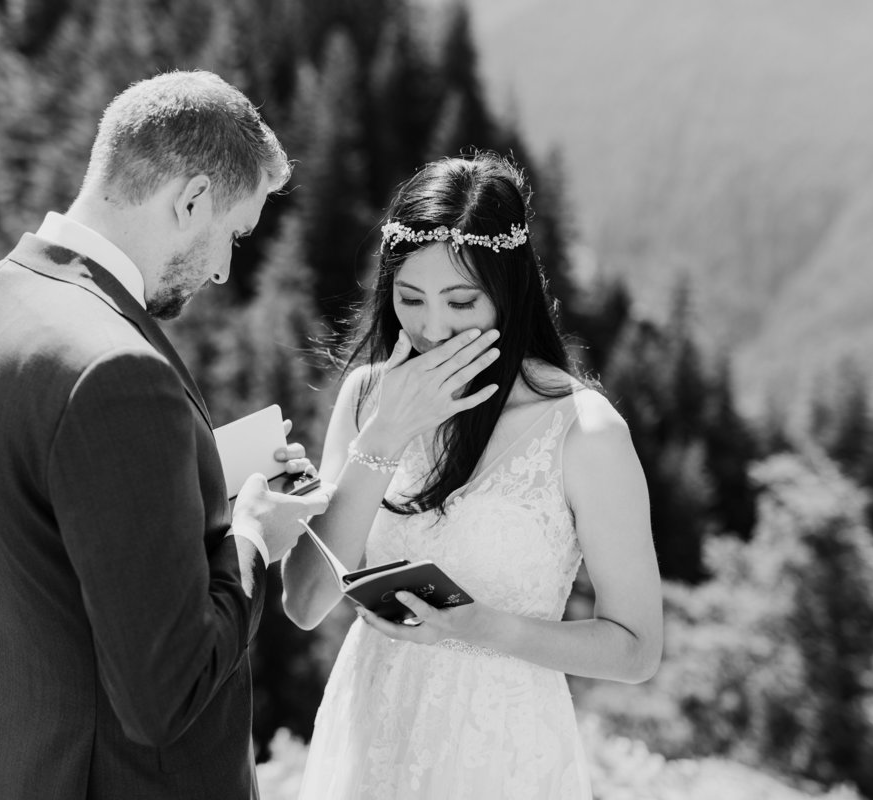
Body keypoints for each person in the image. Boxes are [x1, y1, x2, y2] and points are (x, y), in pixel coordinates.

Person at [0, 71, 332, 800]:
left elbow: (57, 505)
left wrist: (201, 467)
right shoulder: (118, 374)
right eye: (232, 235)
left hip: (13, 765)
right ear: (191, 199)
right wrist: (252, 538)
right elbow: (164, 693)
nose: (224, 269)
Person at [281, 153, 663, 799]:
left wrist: (482, 627)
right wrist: (385, 437)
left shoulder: (584, 432)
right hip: (369, 729)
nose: (432, 328)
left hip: (501, 747)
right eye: (410, 299)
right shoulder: (368, 398)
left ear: (508, 294)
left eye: (461, 301)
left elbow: (635, 650)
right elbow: (306, 601)